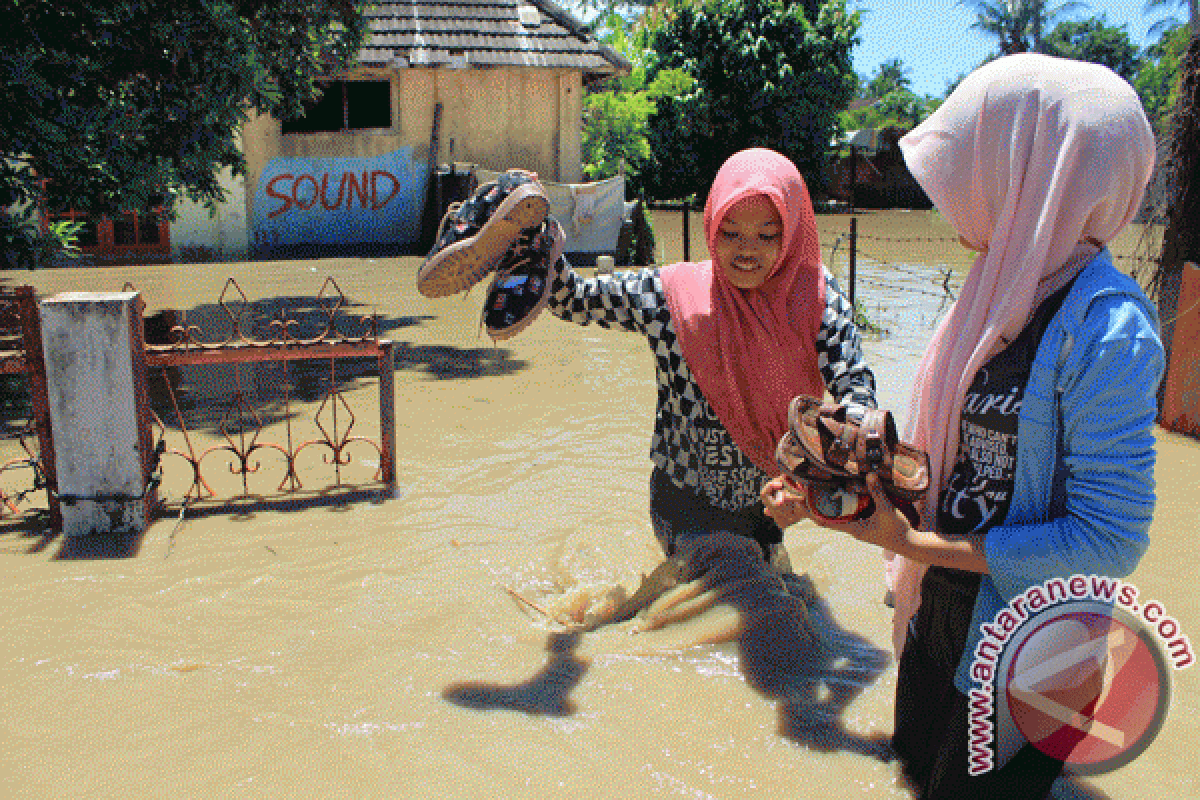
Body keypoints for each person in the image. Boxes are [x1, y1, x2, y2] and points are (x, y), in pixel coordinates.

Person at [761, 54, 1163, 798]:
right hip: (939, 601)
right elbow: (956, 461)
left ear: (1034, 176)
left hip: (1029, 649)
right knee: (914, 771)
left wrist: (913, 542)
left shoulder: (1108, 331)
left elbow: (1111, 541)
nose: (955, 203)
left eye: (976, 173)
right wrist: (840, 489)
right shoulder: (995, 290)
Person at [545, 148, 877, 566]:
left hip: (772, 502)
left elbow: (855, 390)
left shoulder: (816, 300)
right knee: (696, 607)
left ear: (792, 232)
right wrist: (536, 235)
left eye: (767, 234)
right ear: (712, 226)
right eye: (731, 231)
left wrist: (814, 484)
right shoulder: (669, 297)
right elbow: (571, 300)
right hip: (684, 502)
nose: (746, 249)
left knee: (770, 601)